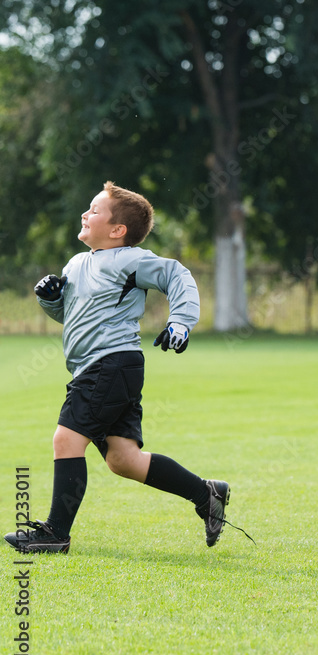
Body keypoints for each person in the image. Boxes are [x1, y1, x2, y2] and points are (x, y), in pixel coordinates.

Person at [4, 182, 232, 554]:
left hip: (110, 365)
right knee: (123, 460)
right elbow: (71, 316)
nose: (84, 214)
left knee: (66, 440)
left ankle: (55, 533)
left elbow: (177, 275)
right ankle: (206, 494)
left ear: (117, 230)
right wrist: (51, 300)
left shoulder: (129, 259)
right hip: (100, 369)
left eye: (94, 210)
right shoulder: (77, 264)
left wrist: (181, 322)